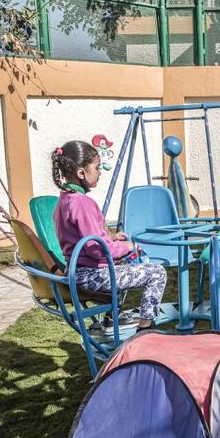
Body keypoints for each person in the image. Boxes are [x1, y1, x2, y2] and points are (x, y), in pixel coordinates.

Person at [51, 140, 166, 331]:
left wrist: (111, 238)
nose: (100, 172)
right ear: (81, 173)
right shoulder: (82, 203)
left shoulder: (65, 199)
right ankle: (146, 327)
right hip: (91, 275)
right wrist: (126, 247)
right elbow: (97, 250)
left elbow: (81, 237)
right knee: (157, 273)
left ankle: (112, 317)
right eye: (96, 167)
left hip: (77, 270)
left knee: (130, 262)